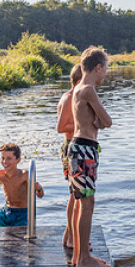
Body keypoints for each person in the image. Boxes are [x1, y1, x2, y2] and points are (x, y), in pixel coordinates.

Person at [69, 46, 112, 267]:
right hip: (84, 149)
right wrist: (99, 120)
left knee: (82, 203)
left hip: (79, 147)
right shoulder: (89, 90)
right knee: (86, 204)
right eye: (106, 68)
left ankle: (78, 255)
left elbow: (98, 120)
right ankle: (84, 258)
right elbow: (107, 121)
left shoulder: (77, 88)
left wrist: (97, 120)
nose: (106, 73)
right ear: (98, 67)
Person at [0, 143, 44, 227]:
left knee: (19, 237)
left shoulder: (25, 175)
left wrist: (39, 188)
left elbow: (40, 195)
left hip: (23, 214)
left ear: (18, 160)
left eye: (9, 158)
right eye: (3, 158)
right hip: (6, 211)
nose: (5, 162)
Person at [57, 63, 82, 248]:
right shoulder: (68, 98)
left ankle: (68, 237)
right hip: (71, 148)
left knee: (76, 195)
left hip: (77, 148)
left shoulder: (77, 97)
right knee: (75, 195)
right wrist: (84, 126)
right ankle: (72, 239)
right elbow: (60, 127)